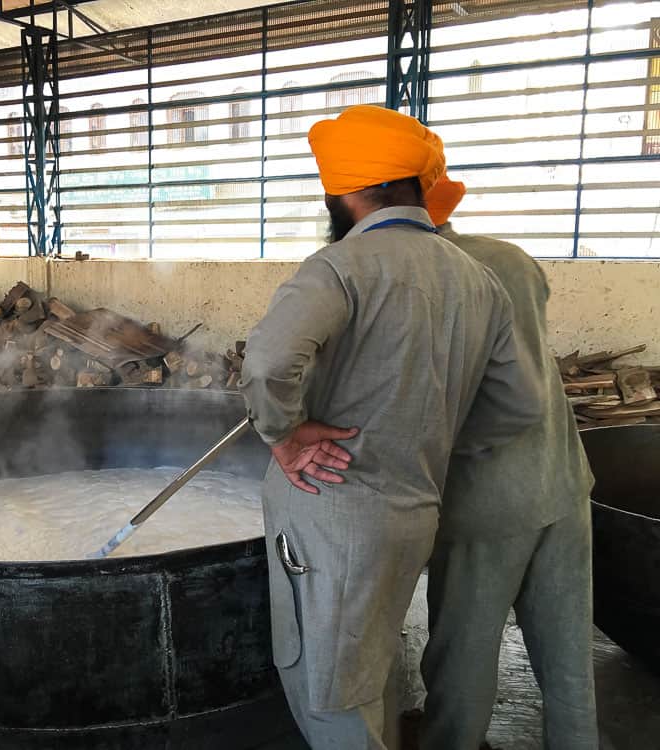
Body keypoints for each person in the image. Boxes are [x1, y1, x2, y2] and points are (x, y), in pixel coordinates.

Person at [238, 104, 546, 749]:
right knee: (371, 666)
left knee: (328, 695)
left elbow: (268, 363)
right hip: (415, 510)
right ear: (414, 188)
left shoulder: (340, 268)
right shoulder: (478, 280)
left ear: (347, 192)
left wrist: (286, 435)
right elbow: (520, 404)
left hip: (332, 512)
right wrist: (426, 436)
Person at [418, 176, 598, 750]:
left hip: (485, 503)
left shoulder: (420, 277)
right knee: (568, 654)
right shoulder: (512, 259)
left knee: (462, 654)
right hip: (563, 483)